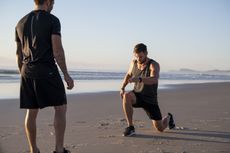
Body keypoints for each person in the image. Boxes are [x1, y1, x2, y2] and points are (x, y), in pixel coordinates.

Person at [15, 0, 74, 152]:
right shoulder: (52, 20)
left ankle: (33, 150)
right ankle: (59, 150)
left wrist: (23, 73)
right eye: (53, 3)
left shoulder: (20, 22)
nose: (53, 6)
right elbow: (58, 51)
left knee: (31, 111)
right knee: (60, 108)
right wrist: (66, 75)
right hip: (47, 70)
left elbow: (18, 54)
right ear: (48, 2)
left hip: (27, 72)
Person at [120, 43, 175, 136]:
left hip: (150, 99)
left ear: (146, 53)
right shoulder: (134, 63)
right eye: (136, 57)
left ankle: (169, 117)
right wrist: (122, 88)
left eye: (141, 57)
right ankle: (131, 127)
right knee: (126, 96)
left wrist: (139, 79)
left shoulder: (153, 65)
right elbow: (128, 74)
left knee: (160, 128)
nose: (138, 59)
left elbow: (154, 79)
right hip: (137, 95)